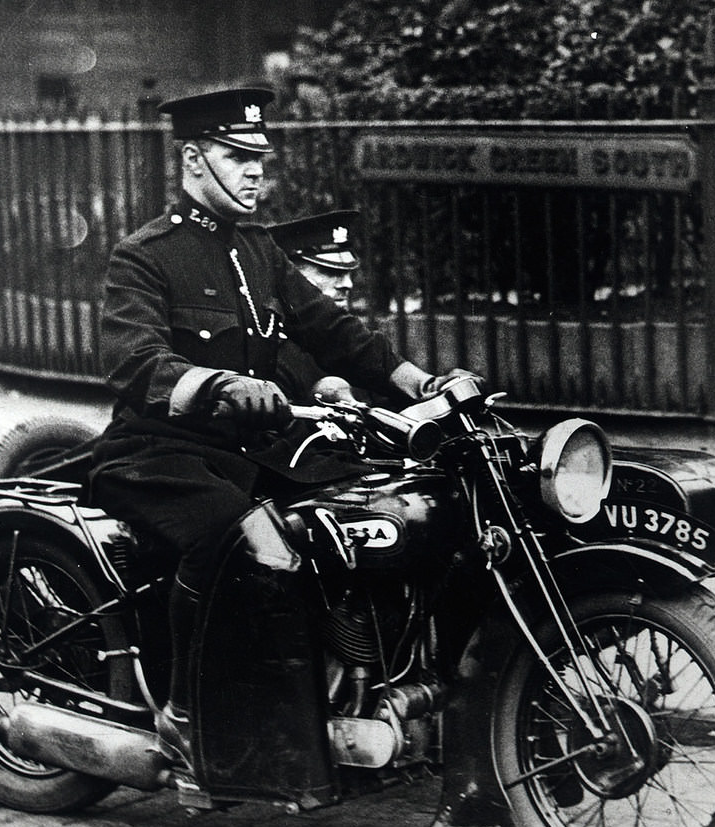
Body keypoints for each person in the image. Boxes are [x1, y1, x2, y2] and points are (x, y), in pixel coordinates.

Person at [89, 87, 472, 770]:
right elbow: (133, 361)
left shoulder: (258, 251)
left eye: (259, 158)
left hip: (244, 453)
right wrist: (220, 385)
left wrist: (418, 382)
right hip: (159, 452)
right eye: (236, 156)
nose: (254, 171)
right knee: (238, 535)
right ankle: (182, 714)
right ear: (192, 159)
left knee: (361, 512)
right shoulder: (145, 254)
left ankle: (349, 688)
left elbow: (334, 331)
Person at [268, 209, 360, 402]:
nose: (347, 284)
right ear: (291, 276)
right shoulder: (272, 354)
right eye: (330, 272)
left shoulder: (354, 342)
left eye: (348, 273)